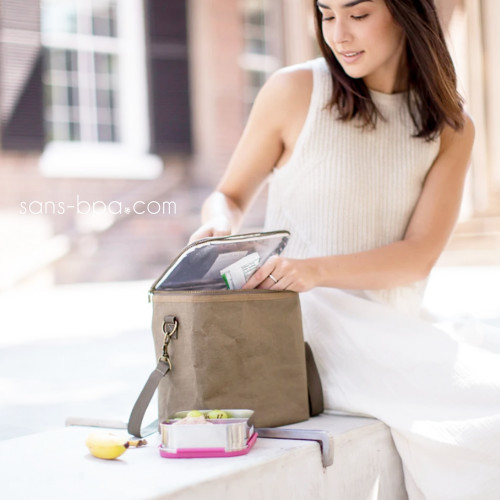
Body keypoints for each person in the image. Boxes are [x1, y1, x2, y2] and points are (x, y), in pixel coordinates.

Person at [189, 0, 500, 497]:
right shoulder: (294, 91)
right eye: (327, 14)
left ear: (406, 13)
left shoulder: (451, 126)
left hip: (393, 321)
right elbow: (229, 195)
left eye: (358, 15)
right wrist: (218, 225)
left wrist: (314, 269)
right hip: (305, 324)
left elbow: (418, 255)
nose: (338, 35)